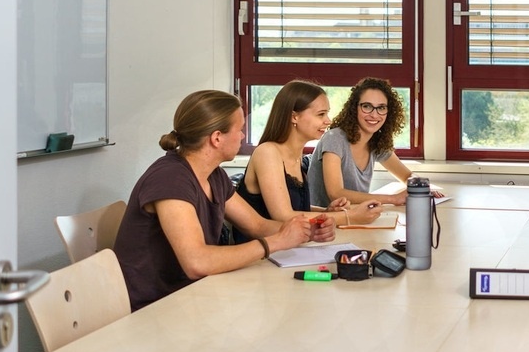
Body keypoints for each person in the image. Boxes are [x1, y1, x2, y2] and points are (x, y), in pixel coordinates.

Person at [113, 90, 334, 311]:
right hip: (154, 308)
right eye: (239, 130)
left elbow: (256, 225)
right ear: (217, 137)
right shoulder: (170, 179)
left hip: (191, 296)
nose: (242, 136)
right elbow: (197, 262)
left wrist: (306, 230)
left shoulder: (213, 174)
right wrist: (275, 242)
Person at [234, 80, 382, 234]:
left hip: (291, 244)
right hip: (263, 247)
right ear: (294, 117)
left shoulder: (297, 155)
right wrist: (350, 216)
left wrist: (327, 212)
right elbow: (283, 216)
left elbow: (296, 209)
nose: (328, 121)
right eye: (321, 114)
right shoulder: (267, 152)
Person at [309, 77, 425, 207]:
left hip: (355, 215)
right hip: (326, 218)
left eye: (381, 108)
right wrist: (393, 199)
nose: (374, 115)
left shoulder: (376, 142)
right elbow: (336, 194)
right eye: (367, 106)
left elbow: (407, 175)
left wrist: (421, 187)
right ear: (354, 108)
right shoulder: (334, 138)